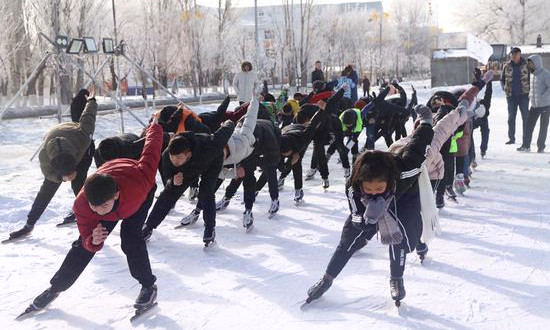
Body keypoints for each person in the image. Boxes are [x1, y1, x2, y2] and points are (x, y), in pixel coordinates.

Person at [23, 113, 164, 314]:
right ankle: (55, 288)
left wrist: (155, 127)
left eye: (102, 207)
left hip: (138, 192)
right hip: (107, 179)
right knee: (82, 246)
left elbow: (151, 150)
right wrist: (92, 239)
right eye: (93, 207)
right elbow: (88, 237)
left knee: (131, 239)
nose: (97, 211)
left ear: (115, 196)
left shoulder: (140, 182)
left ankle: (148, 286)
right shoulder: (82, 205)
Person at [304, 104, 434, 306]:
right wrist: (368, 217)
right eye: (369, 190)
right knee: (348, 241)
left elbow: (419, 142)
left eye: (378, 189)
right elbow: (355, 218)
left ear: (388, 182)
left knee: (400, 237)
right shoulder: (353, 187)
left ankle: (397, 278)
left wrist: (425, 121)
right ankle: (327, 279)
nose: (374, 193)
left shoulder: (404, 172)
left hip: (403, 198)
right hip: (368, 209)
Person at [7, 93, 97, 241]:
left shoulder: (83, 136)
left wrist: (92, 100)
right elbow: (46, 187)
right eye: (65, 176)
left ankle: (90, 214)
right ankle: (29, 225)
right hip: (57, 141)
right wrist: (59, 177)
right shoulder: (45, 158)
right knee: (48, 189)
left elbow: (89, 116)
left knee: (78, 184)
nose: (67, 178)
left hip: (80, 146)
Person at [141, 120, 234, 246]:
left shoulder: (209, 145)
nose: (175, 162)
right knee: (169, 193)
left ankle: (209, 230)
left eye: (179, 158)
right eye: (173, 158)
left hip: (212, 162)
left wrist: (228, 122)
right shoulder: (166, 156)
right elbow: (168, 176)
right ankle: (148, 227)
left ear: (188, 154)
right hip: (187, 170)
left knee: (206, 193)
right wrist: (172, 181)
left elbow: (225, 132)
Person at [517, 54, 550, 153]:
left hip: (545, 105)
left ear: (537, 63)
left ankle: (541, 147)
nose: (530, 65)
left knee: (543, 127)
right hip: (534, 105)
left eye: (531, 63)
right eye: (529, 64)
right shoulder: (533, 75)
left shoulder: (545, 74)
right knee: (529, 125)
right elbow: (533, 89)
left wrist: (544, 97)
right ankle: (526, 146)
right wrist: (530, 96)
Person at [500, 47, 530, 145]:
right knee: (511, 117)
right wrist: (504, 88)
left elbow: (532, 77)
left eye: (516, 55)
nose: (514, 56)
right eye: (512, 55)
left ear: (519, 55)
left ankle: (526, 139)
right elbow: (502, 79)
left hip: (524, 96)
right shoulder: (506, 66)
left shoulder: (527, 65)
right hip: (511, 96)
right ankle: (511, 138)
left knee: (525, 118)